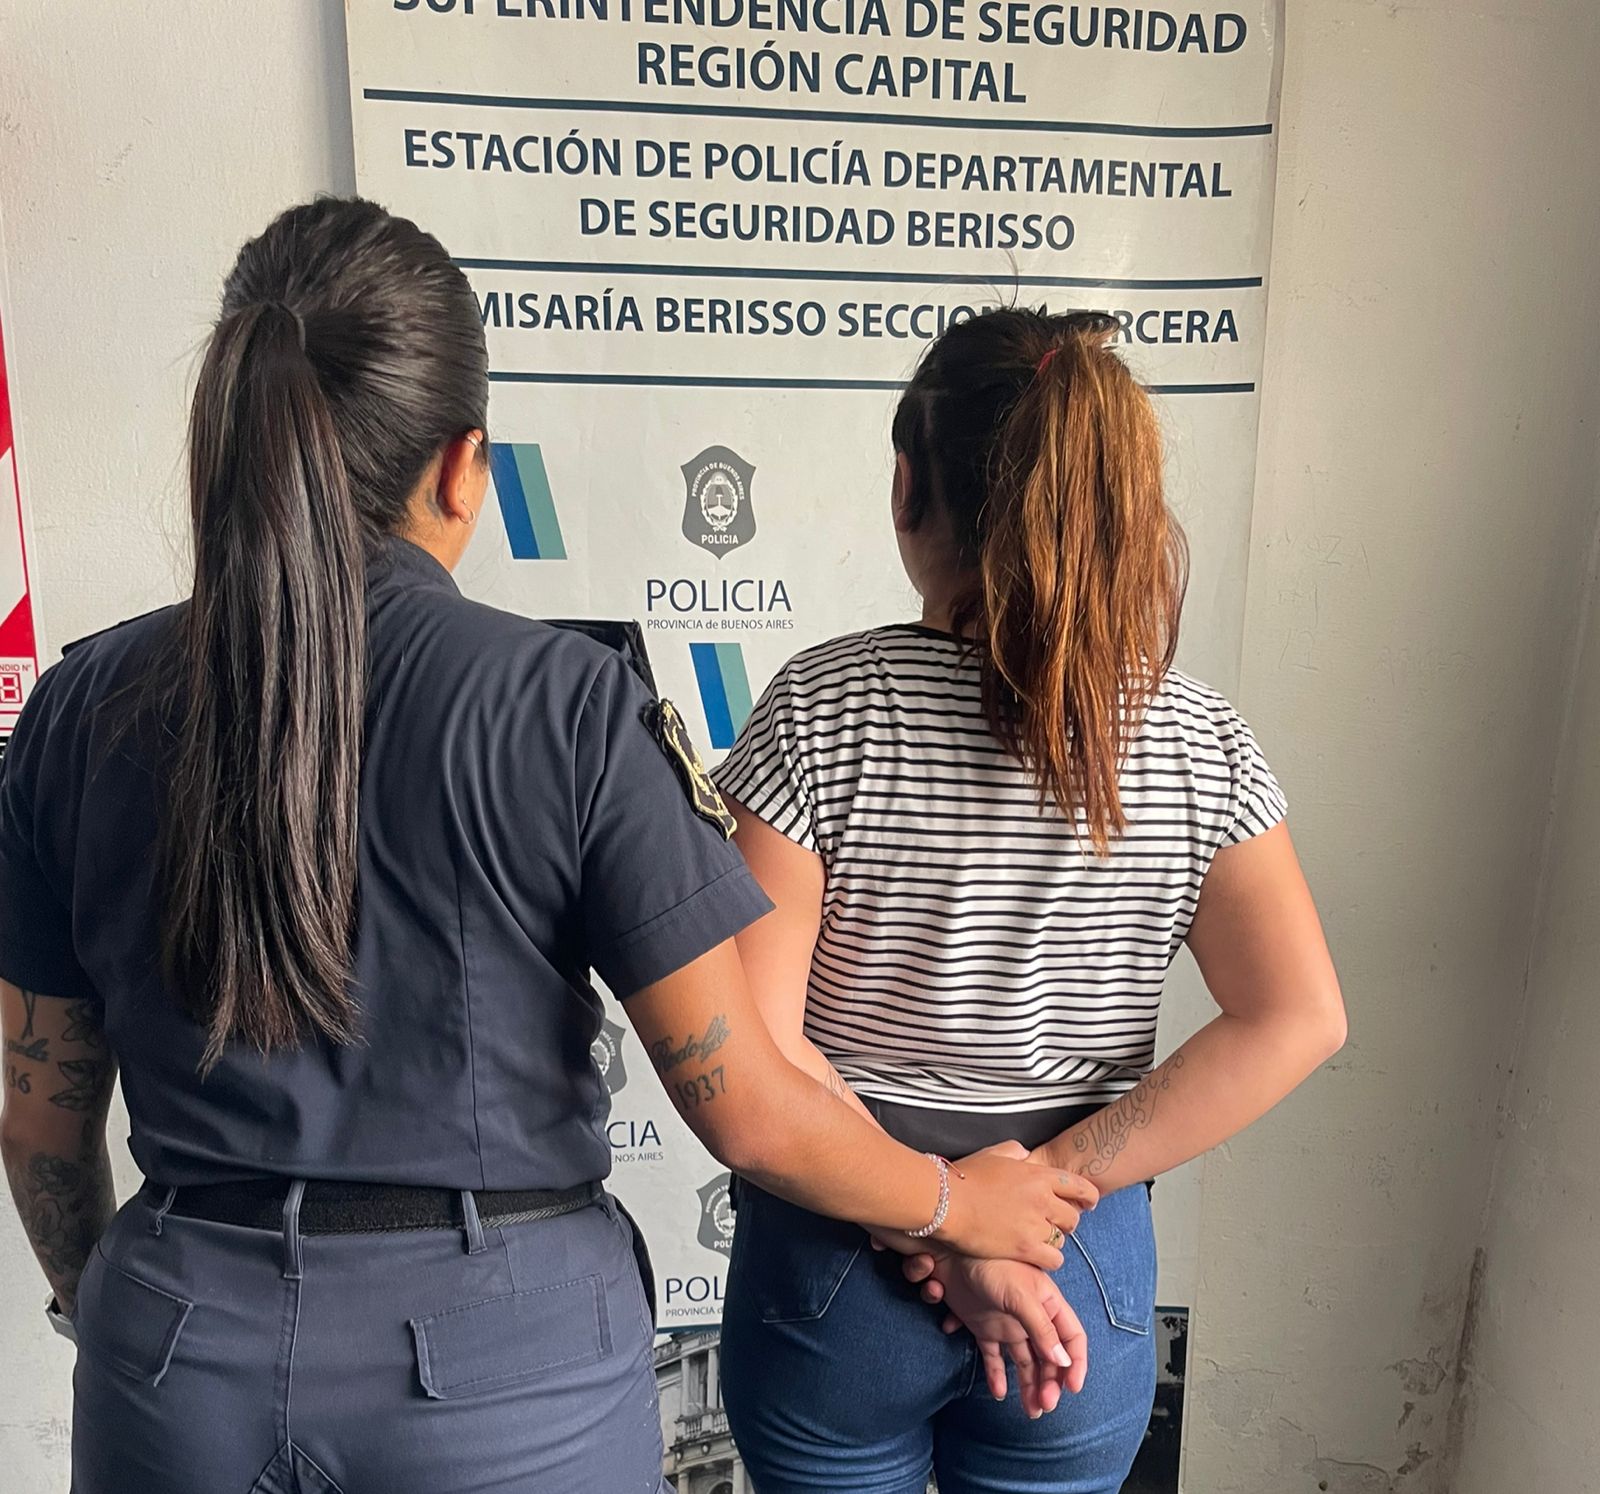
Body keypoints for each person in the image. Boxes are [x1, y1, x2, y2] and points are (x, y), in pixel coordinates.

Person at [0, 202, 1096, 1494]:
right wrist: (958, 1205)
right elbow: (744, 1104)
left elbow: (41, 1117)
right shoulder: (566, 705)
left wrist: (119, 1310)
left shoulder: (74, 710)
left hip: (176, 1359)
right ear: (464, 464)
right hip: (502, 1381)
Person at [713, 308, 1349, 1494]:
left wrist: (949, 1219)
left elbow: (752, 1040)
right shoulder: (1199, 739)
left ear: (907, 485)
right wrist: (1032, 1201)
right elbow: (1299, 1013)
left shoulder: (820, 709)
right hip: (1077, 1271)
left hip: (840, 1267)